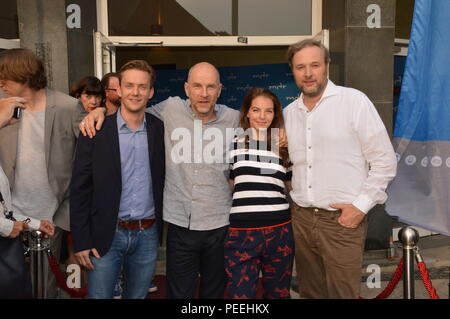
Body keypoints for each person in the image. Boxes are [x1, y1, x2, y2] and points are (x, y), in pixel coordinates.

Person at [79, 62, 240, 299]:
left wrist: (281, 130)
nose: (203, 93)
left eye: (210, 87)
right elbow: (130, 112)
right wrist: (100, 110)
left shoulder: (234, 119)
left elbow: (265, 122)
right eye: (197, 86)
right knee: (178, 294)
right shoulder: (168, 110)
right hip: (178, 223)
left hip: (219, 224)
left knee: (213, 294)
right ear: (186, 88)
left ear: (220, 89)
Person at [283, 39, 397, 299]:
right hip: (301, 219)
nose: (308, 73)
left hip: (341, 222)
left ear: (327, 67)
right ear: (292, 71)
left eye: (315, 65)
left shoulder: (354, 102)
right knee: (310, 294)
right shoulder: (289, 113)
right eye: (301, 67)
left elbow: (384, 160)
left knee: (342, 295)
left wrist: (360, 207)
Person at [70, 60, 165, 299]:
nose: (136, 92)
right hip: (106, 235)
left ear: (151, 92)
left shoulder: (160, 129)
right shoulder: (95, 130)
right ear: (118, 90)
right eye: (129, 85)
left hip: (147, 234)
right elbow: (80, 188)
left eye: (142, 87)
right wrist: (81, 240)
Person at [0, 49, 86, 299]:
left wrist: (100, 112)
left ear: (24, 76)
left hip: (52, 218)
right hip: (9, 216)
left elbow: (88, 159)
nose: (1, 83)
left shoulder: (67, 107)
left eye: (5, 77)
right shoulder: (2, 106)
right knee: (13, 287)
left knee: (46, 287)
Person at [225, 88, 294, 299]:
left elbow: (290, 188)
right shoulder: (233, 146)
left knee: (278, 294)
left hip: (279, 231)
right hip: (242, 233)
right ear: (247, 112)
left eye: (268, 111)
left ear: (275, 115)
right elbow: (232, 185)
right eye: (256, 110)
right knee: (240, 295)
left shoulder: (284, 148)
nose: (262, 116)